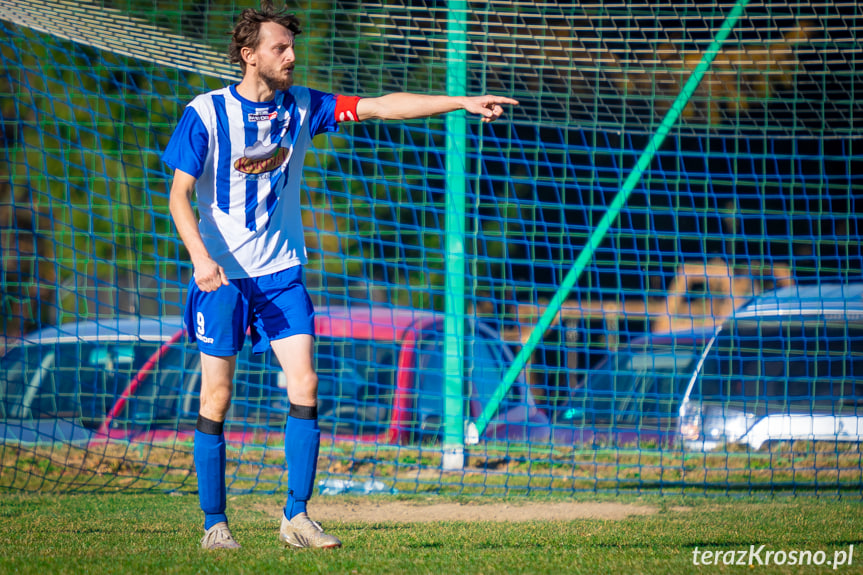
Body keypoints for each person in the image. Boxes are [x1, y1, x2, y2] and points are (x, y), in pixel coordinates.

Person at [162, 0, 517, 551]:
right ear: (248, 54)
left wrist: (461, 102)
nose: (292, 56)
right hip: (221, 281)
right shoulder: (205, 114)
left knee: (305, 385)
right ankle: (215, 525)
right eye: (280, 47)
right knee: (216, 398)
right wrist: (200, 258)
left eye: (292, 46)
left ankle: (296, 518)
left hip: (281, 275)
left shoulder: (303, 107)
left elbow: (379, 107)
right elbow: (178, 196)